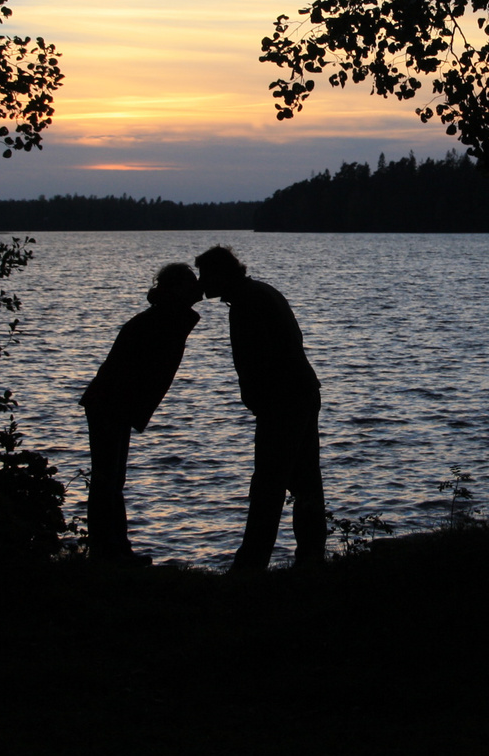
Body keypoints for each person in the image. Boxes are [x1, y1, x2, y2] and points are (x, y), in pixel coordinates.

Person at [194, 245, 326, 572]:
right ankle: (311, 559)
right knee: (305, 481)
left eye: (205, 275)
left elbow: (258, 360)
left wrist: (259, 400)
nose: (201, 282)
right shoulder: (260, 292)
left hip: (283, 401)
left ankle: (250, 566)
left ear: (222, 274)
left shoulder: (246, 304)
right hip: (302, 392)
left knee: (268, 484)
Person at [79, 262, 203, 563]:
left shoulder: (162, 315)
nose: (196, 288)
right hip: (110, 403)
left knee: (110, 480)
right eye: (188, 284)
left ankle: (114, 549)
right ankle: (107, 552)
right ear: (174, 289)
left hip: (114, 404)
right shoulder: (161, 318)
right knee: (107, 480)